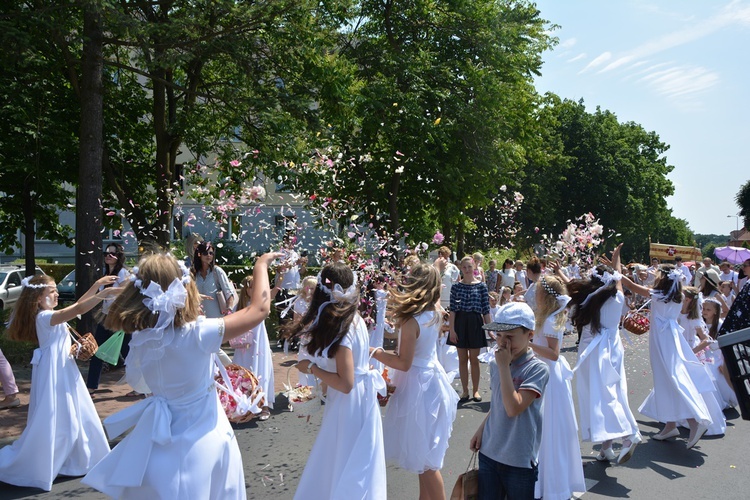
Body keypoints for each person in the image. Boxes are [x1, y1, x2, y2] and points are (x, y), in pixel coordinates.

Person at [82, 251, 278, 499]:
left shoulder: (142, 337)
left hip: (160, 442)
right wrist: (261, 265)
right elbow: (259, 309)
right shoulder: (198, 334)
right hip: (204, 441)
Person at [0, 274, 119, 491]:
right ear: (38, 298)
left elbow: (76, 305)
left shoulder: (49, 315)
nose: (56, 294)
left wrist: (96, 286)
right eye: (52, 292)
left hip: (61, 369)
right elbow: (77, 310)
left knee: (71, 413)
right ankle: (56, 459)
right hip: (53, 372)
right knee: (59, 415)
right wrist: (104, 294)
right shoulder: (44, 317)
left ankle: (70, 458)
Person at [291, 262, 386, 499]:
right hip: (361, 399)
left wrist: (311, 368)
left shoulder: (342, 326)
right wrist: (315, 395)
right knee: (351, 462)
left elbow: (345, 383)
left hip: (349, 404)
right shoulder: (355, 318)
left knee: (343, 461)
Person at [371, 263, 458, 500]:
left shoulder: (413, 320)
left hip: (420, 387)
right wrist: (436, 268)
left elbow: (404, 362)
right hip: (432, 381)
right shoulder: (436, 312)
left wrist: (375, 352)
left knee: (427, 464)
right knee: (423, 460)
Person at [620, 259, 713, 450]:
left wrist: (614, 268)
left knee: (672, 378)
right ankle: (670, 425)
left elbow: (629, 284)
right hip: (668, 335)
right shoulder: (676, 294)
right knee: (664, 379)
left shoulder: (659, 293)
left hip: (663, 338)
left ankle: (695, 421)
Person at [568, 245, 641, 464]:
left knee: (601, 396)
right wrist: (616, 258)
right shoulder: (617, 297)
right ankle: (606, 447)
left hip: (593, 349)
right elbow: (618, 278)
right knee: (613, 391)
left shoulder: (586, 298)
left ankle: (628, 434)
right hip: (613, 347)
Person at [470, 302, 549, 500]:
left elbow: (514, 408)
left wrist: (504, 367)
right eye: (499, 336)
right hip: (489, 451)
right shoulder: (499, 362)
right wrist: (482, 429)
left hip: (519, 459)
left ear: (530, 335)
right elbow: (499, 402)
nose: (503, 343)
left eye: (510, 337)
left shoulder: (537, 369)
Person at [529, 276, 585, 499]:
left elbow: (553, 354)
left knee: (548, 429)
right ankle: (543, 481)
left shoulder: (552, 319)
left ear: (545, 295)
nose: (535, 295)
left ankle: (551, 484)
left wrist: (527, 343)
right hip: (545, 372)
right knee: (544, 429)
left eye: (538, 292)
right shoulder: (549, 316)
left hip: (549, 375)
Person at [87, 242, 132, 395]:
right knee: (97, 351)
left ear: (119, 256)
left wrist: (111, 291)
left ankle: (142, 386)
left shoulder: (123, 274)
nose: (108, 256)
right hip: (106, 318)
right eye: (106, 254)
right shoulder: (105, 275)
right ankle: (91, 386)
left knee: (129, 354)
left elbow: (128, 292)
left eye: (112, 254)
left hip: (121, 319)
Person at [230, 275, 275, 421]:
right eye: (251, 287)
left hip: (258, 342)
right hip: (244, 343)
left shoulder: (261, 304)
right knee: (244, 370)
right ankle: (246, 403)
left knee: (260, 368)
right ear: (246, 289)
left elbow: (272, 294)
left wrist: (279, 279)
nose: (254, 289)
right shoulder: (241, 306)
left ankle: (264, 405)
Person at [448, 256, 491, 403]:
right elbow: (453, 310)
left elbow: (486, 309)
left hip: (475, 322)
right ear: (461, 268)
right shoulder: (456, 287)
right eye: (464, 267)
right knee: (462, 359)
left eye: (469, 267)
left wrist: (490, 329)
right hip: (460, 322)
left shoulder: (481, 286)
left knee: (474, 360)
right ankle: (465, 390)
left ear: (474, 268)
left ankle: (476, 390)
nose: (467, 270)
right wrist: (452, 330)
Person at [193, 241, 236, 318]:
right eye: (205, 253)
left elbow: (229, 293)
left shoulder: (217, 271)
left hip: (217, 320)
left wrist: (228, 311)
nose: (209, 255)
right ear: (199, 254)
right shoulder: (194, 273)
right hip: (198, 319)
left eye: (211, 253)